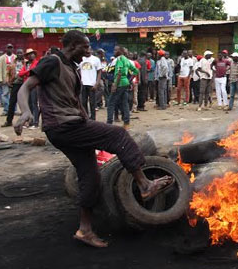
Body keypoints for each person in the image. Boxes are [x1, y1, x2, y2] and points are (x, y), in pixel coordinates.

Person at [13, 30, 173, 248]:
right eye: (85, 47)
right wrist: (24, 112)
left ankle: (85, 230)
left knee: (90, 176)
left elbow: (72, 100)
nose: (88, 52)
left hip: (68, 126)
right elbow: (26, 86)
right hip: (64, 126)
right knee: (118, 135)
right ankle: (144, 184)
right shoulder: (52, 61)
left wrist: (85, 117)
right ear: (71, 45)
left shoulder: (71, 67)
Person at [106, 46, 138, 129]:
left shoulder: (119, 59)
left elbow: (119, 72)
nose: (114, 51)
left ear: (120, 51)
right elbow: (135, 71)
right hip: (125, 83)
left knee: (111, 103)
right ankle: (126, 123)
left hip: (119, 83)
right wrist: (129, 80)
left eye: (116, 50)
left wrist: (115, 85)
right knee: (124, 103)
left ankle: (109, 123)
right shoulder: (127, 60)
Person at [2, 49, 25, 127]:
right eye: (18, 53)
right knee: (12, 103)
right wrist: (8, 82)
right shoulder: (12, 63)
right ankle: (9, 121)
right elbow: (7, 72)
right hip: (15, 84)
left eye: (20, 53)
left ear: (23, 54)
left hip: (24, 84)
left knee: (25, 103)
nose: (19, 54)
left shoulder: (26, 62)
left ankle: (26, 122)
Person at [17, 49, 40, 129]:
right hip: (26, 86)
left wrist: (26, 72)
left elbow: (34, 72)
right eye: (28, 54)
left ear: (34, 54)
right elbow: (20, 74)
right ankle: (30, 122)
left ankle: (35, 123)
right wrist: (28, 71)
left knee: (34, 104)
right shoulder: (26, 64)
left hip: (34, 86)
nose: (30, 55)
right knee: (29, 104)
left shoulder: (37, 63)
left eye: (32, 54)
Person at [78, 48, 102, 120]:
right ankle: (86, 117)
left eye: (89, 50)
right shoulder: (81, 59)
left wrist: (97, 83)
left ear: (92, 51)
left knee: (92, 103)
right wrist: (80, 80)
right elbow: (78, 70)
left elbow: (99, 71)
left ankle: (93, 118)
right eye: (86, 50)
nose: (88, 51)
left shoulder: (96, 59)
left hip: (92, 84)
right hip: (83, 84)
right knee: (83, 102)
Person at [0, 44, 16, 115]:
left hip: (14, 80)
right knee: (5, 95)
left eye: (11, 48)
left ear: (13, 49)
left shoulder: (16, 57)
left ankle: (14, 110)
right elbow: (0, 69)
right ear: (6, 49)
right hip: (5, 80)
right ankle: (6, 110)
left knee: (14, 95)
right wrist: (0, 80)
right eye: (8, 48)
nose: (9, 49)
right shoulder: (2, 58)